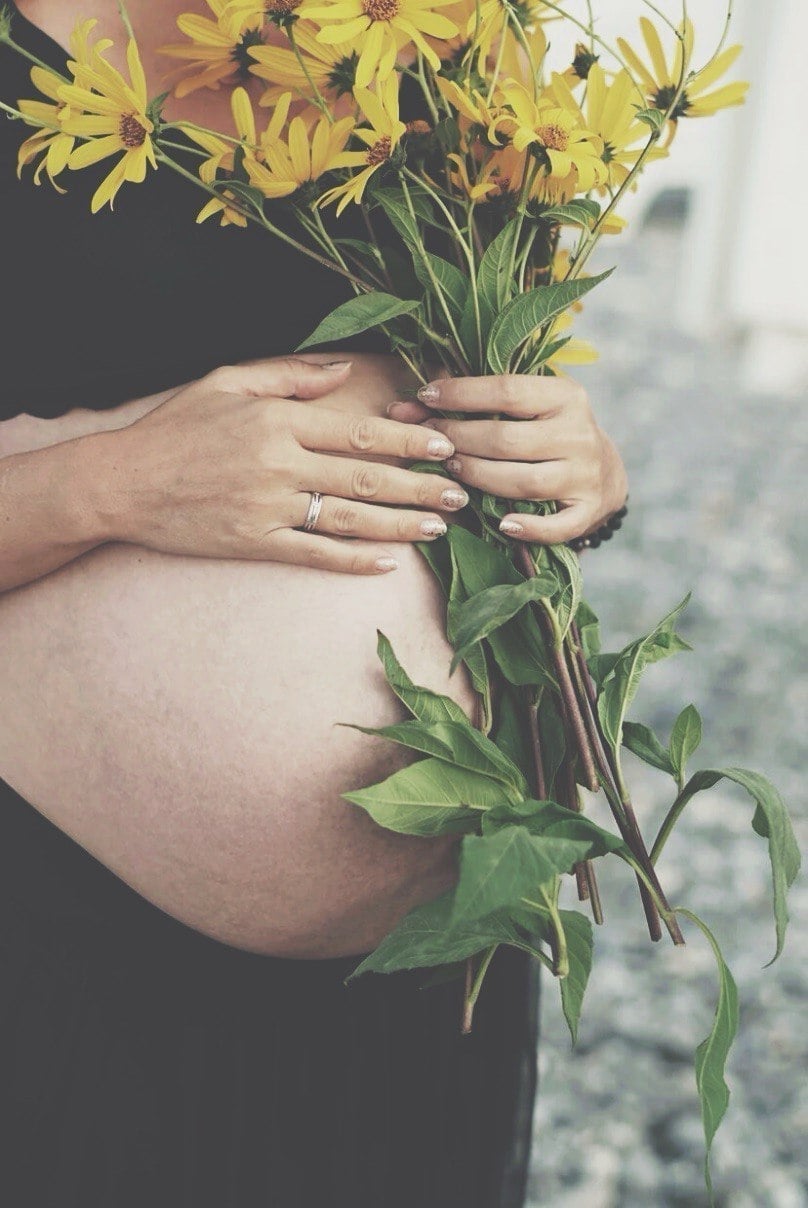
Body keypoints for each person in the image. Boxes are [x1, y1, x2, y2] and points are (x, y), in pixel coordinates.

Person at [0, 2, 629, 1205]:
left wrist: (584, 475)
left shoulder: (443, 37)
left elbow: (496, 364)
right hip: (63, 939)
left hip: (414, 997)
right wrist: (112, 486)